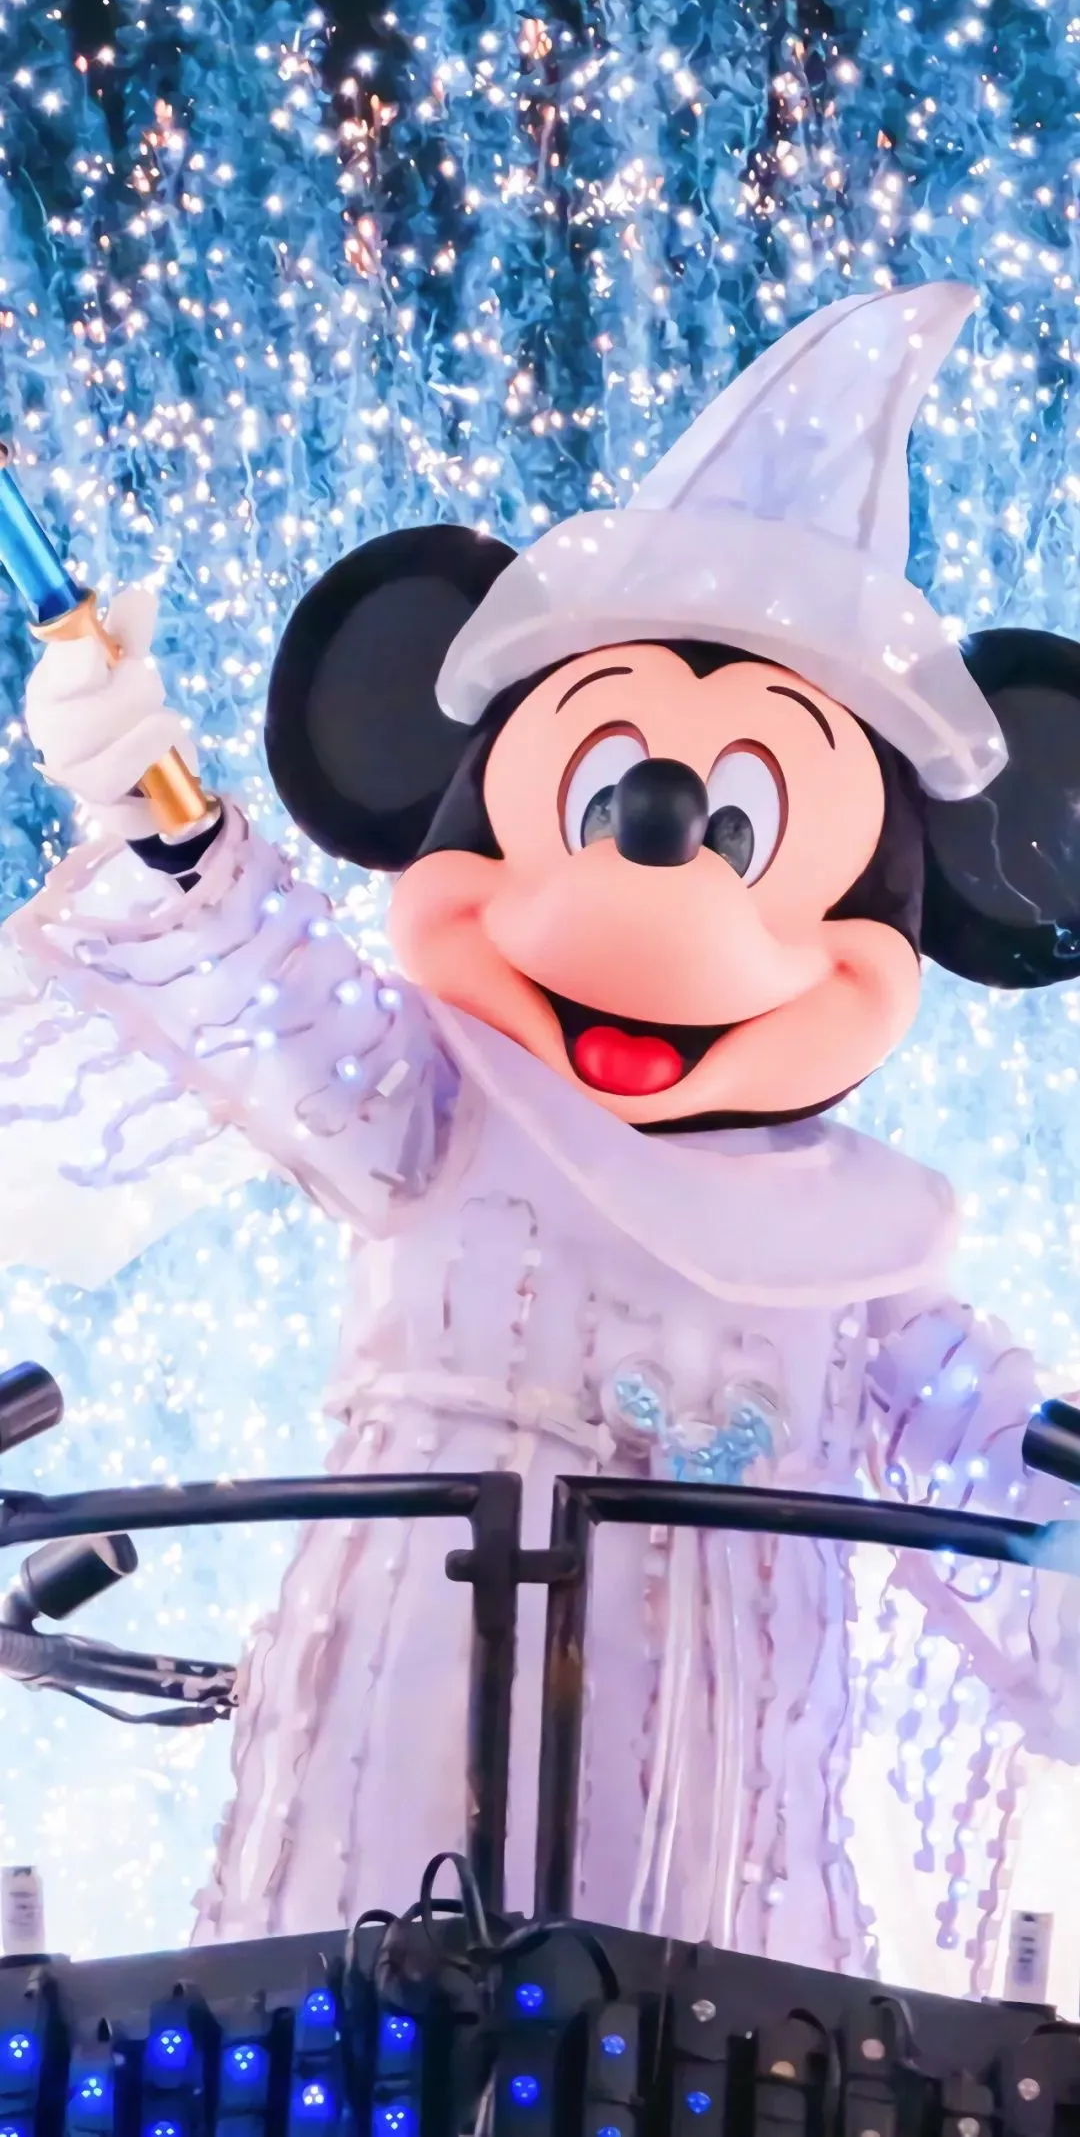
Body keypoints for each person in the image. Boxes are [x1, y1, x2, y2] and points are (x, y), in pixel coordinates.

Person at [5, 281, 1080, 1994]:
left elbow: (989, 1444)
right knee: (359, 2022)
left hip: (716, 1824)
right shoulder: (436, 1107)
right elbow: (276, 991)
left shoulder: (860, 1247)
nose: (660, 871)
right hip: (403, 1755)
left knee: (693, 2034)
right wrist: (159, 808)